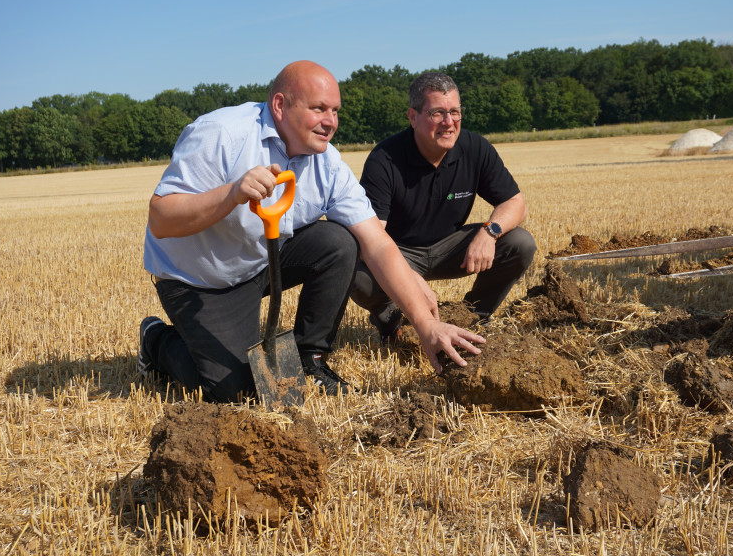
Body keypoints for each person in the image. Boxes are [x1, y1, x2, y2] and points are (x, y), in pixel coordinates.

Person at [138, 61, 484, 402]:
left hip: (261, 260)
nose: (330, 121)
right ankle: (157, 341)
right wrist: (232, 194)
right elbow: (161, 219)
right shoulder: (222, 134)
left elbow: (377, 244)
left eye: (335, 110)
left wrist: (426, 326)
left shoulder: (328, 163)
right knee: (239, 391)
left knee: (339, 241)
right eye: (319, 108)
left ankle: (310, 359)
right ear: (280, 105)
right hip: (200, 281)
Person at [351, 72, 536, 342]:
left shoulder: (475, 148)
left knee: (520, 242)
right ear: (413, 117)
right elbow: (372, 239)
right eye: (437, 113)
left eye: (455, 112)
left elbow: (516, 203)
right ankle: (392, 319)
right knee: (354, 268)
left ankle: (473, 315)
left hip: (450, 247)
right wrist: (407, 277)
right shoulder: (384, 159)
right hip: (397, 250)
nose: (449, 123)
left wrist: (489, 232)